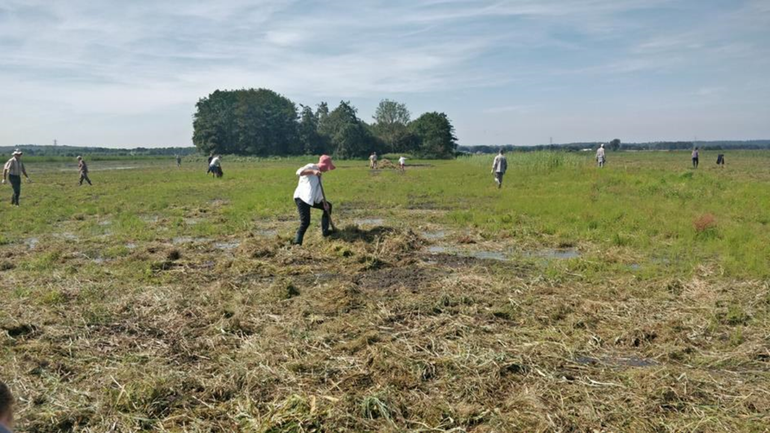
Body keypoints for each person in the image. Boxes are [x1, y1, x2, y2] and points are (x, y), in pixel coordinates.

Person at [292, 155, 336, 245]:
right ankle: (297, 242)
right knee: (306, 222)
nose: (327, 170)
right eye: (327, 168)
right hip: (302, 198)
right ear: (323, 165)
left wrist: (323, 202)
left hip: (311, 199)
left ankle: (325, 232)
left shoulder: (319, 175)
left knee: (328, 206)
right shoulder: (311, 166)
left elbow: (318, 190)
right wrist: (312, 171)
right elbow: (299, 172)